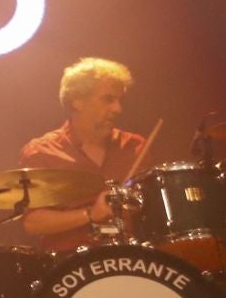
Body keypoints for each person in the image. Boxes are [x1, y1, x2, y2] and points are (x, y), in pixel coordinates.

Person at [19, 57, 146, 254]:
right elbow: (33, 223)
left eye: (120, 100)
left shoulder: (135, 146)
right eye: (108, 99)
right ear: (77, 101)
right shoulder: (43, 151)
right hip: (72, 268)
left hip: (133, 259)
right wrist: (90, 214)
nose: (117, 109)